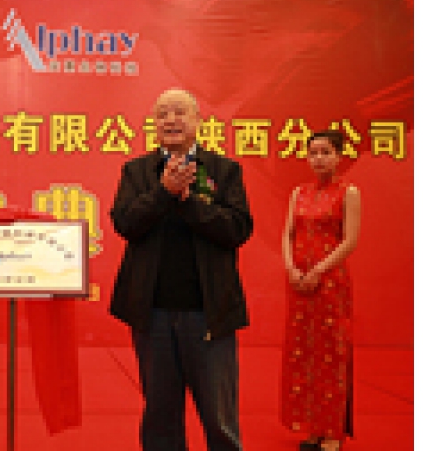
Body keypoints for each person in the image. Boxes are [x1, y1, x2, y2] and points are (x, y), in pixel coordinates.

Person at [109, 88, 253, 451]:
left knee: (219, 418)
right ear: (154, 125)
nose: (170, 120)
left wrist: (188, 203)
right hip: (152, 312)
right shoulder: (137, 171)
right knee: (161, 416)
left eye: (179, 112)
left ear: (198, 121)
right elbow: (125, 222)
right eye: (162, 114)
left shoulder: (224, 170)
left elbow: (237, 229)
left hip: (209, 312)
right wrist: (163, 193)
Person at [280, 130, 360, 451]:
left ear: (339, 156)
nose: (318, 159)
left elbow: (350, 241)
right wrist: (291, 268)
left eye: (326, 152)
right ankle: (312, 427)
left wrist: (318, 271)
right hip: (299, 284)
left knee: (331, 355)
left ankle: (332, 432)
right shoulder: (298, 192)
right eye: (313, 152)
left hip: (330, 284)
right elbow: (288, 234)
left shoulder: (348, 192)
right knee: (303, 355)